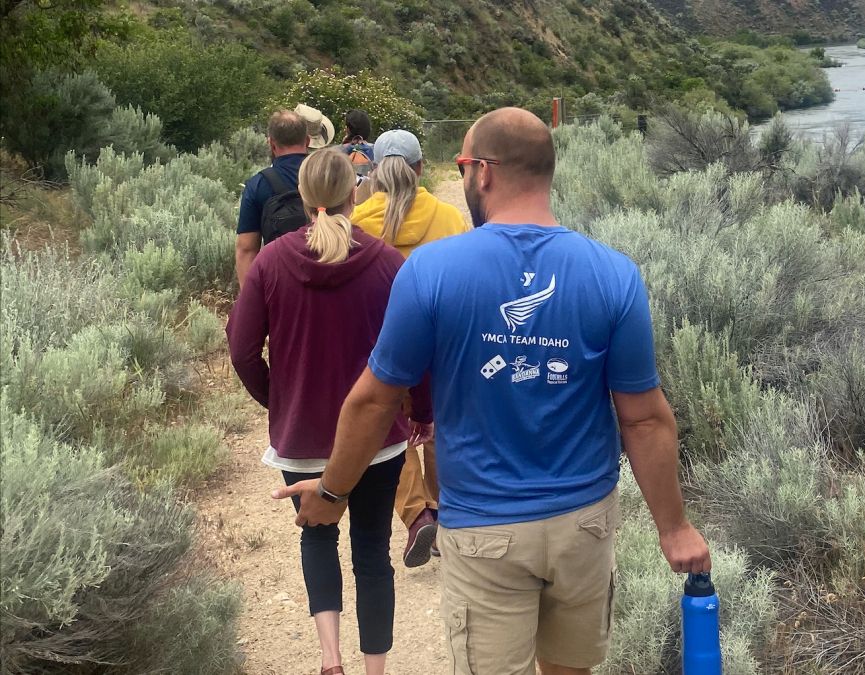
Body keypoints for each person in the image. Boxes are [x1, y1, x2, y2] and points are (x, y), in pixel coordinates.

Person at [275, 108, 711, 675]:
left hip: (484, 526)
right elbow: (644, 419)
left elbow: (374, 400)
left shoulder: (431, 271)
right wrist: (674, 528)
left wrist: (333, 493)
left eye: (461, 165)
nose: (462, 177)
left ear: (483, 171)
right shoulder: (613, 274)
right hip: (583, 522)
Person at [228, 149, 432, 675]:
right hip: (377, 438)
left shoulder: (271, 262)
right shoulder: (387, 263)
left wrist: (279, 399)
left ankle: (329, 658)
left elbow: (242, 350)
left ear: (303, 197)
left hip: (302, 436)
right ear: (354, 193)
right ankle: (375, 670)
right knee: (372, 551)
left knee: (316, 535)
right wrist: (423, 411)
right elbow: (419, 347)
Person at [350, 128, 470, 568]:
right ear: (420, 168)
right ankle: (446, 512)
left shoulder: (357, 221)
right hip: (440, 344)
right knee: (438, 424)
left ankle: (417, 514)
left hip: (379, 344)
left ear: (374, 172)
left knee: (391, 428)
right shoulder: (448, 218)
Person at [234, 110, 308, 287]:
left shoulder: (258, 184)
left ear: (271, 144)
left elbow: (247, 249)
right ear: (307, 141)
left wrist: (250, 298)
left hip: (280, 286)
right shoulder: (327, 175)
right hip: (328, 283)